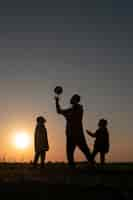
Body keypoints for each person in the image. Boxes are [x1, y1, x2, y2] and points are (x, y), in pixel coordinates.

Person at [55, 94, 91, 167]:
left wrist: (66, 115)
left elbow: (72, 117)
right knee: (69, 152)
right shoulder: (70, 109)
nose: (70, 99)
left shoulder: (79, 108)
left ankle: (92, 163)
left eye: (73, 98)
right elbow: (59, 111)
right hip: (70, 134)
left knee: (85, 150)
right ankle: (72, 166)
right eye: (71, 98)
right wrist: (57, 102)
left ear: (76, 100)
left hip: (78, 134)